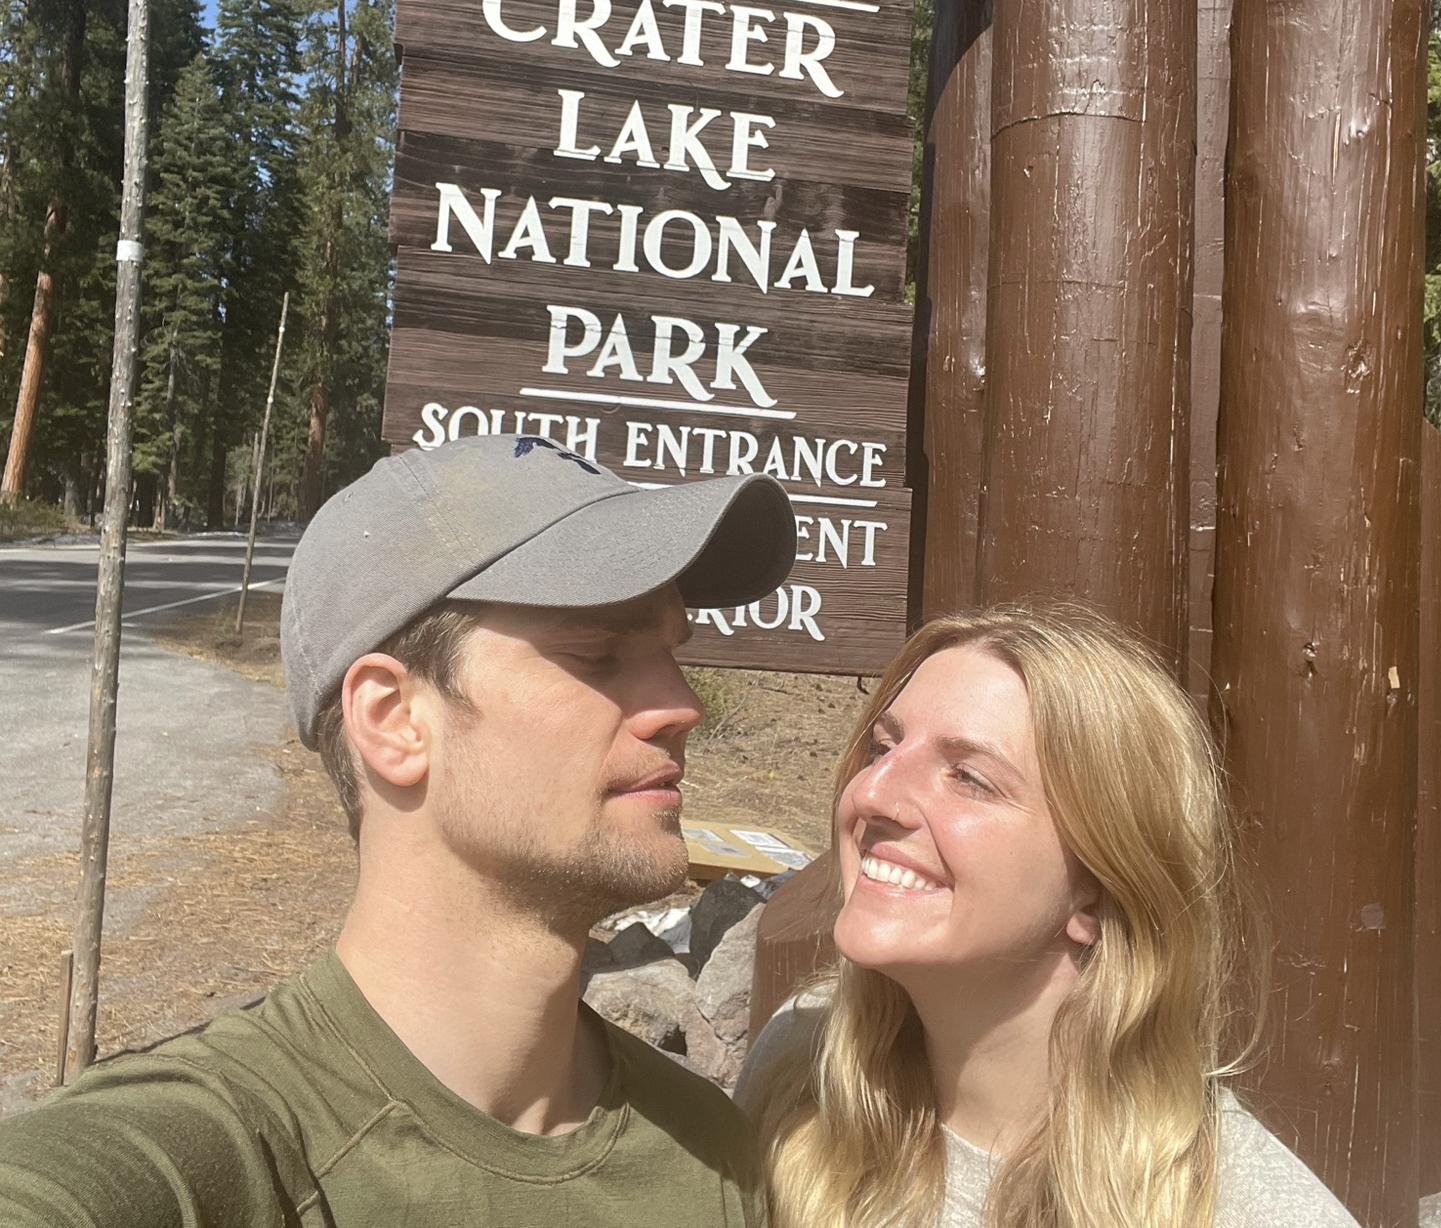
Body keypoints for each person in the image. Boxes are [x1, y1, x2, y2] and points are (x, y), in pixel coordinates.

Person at [0, 432, 796, 1226]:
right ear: (393, 721)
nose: (685, 707)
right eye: (598, 654)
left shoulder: (712, 1162)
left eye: (670, 653)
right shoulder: (219, 1151)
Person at [735, 601, 1360, 1228]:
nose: (870, 793)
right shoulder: (801, 1072)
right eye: (882, 748)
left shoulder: (1251, 1211)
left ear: (1098, 890)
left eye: (969, 778)